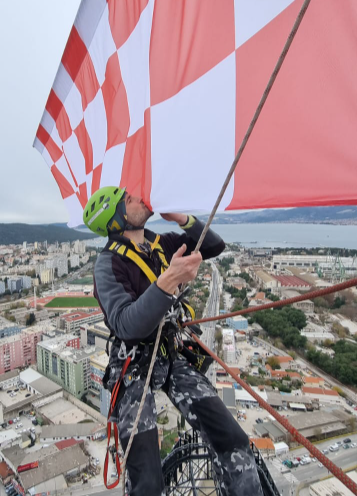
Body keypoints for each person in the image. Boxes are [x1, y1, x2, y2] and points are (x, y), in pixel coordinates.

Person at [85, 186, 262, 495]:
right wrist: (167, 281)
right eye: (129, 201)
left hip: (170, 353)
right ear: (116, 220)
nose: (140, 198)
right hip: (132, 366)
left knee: (232, 441)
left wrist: (179, 217)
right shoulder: (108, 264)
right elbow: (126, 324)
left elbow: (214, 245)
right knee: (147, 481)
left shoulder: (161, 244)